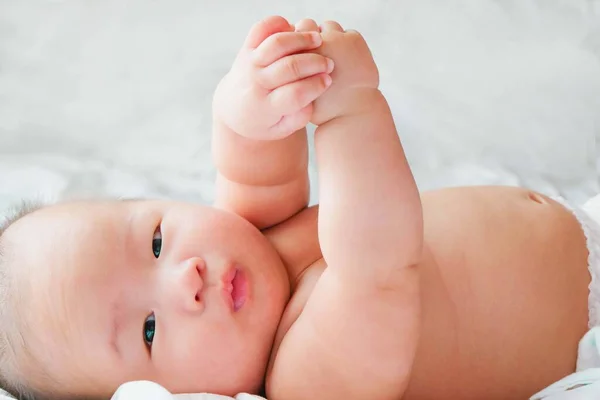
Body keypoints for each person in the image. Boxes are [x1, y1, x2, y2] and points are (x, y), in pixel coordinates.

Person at [0, 15, 597, 400]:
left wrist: (250, 105)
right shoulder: (305, 376)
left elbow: (251, 168)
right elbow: (377, 266)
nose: (187, 276)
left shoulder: (248, 240)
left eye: (156, 241)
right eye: (150, 330)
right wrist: (350, 112)